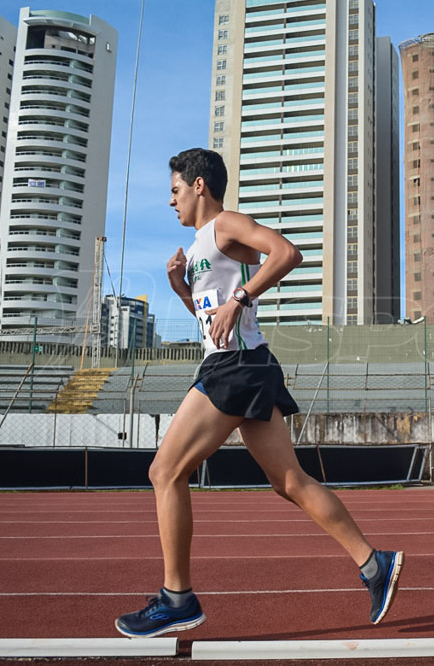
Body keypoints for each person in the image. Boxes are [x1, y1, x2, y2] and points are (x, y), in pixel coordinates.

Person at [116, 148, 403, 636]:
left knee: (164, 471)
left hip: (237, 366)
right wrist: (184, 292)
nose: (171, 202)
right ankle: (374, 564)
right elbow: (216, 324)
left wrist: (243, 296)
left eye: (174, 190)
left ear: (199, 185)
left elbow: (288, 253)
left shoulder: (227, 224)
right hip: (240, 361)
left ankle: (177, 598)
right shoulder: (204, 244)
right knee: (289, 481)